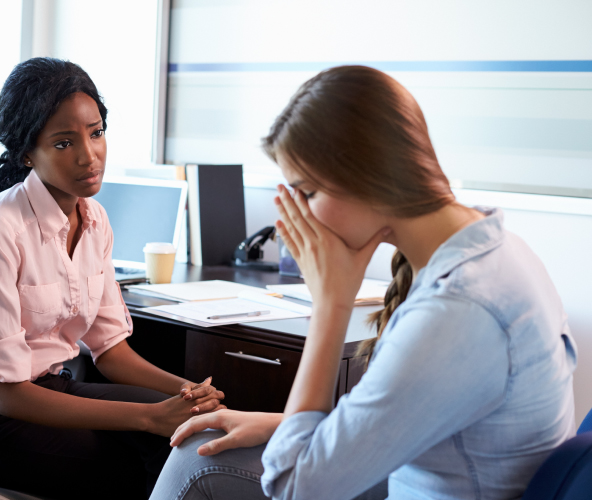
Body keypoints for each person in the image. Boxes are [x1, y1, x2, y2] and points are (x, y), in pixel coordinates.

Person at [150, 65, 577, 500]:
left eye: (309, 193)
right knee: (201, 448)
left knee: (193, 462)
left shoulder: (458, 311)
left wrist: (331, 305)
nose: (299, 216)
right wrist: (277, 423)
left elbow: (294, 488)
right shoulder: (496, 247)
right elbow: (416, 416)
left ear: (366, 176)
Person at [0, 58, 224, 499]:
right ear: (27, 152)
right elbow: (8, 398)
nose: (89, 156)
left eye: (96, 133)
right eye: (64, 142)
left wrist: (185, 391)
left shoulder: (95, 219)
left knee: (196, 431)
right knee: (139, 458)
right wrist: (148, 416)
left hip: (54, 390)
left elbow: (110, 351)